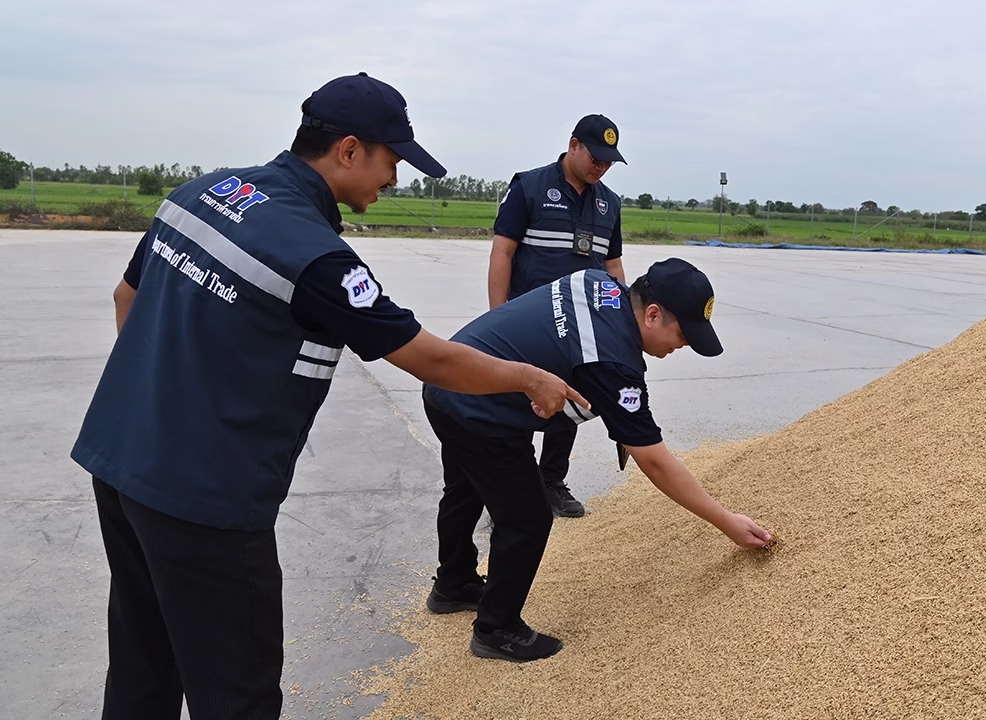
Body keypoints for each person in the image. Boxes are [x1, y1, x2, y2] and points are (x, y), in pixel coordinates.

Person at [70, 73, 587, 720]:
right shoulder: (318, 258)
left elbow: (127, 299)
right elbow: (427, 357)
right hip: (206, 500)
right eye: (392, 160)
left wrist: (160, 405)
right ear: (348, 150)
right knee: (237, 692)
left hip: (120, 466)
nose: (395, 179)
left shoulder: (205, 193)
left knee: (144, 665)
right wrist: (528, 376)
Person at [421, 258, 773, 663]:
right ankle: (495, 629)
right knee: (528, 518)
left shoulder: (600, 284)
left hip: (450, 379)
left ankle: (453, 584)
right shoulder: (612, 362)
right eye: (683, 334)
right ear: (653, 314)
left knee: (465, 489)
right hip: (479, 411)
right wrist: (727, 521)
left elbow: (580, 351)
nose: (685, 345)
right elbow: (655, 461)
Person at [486, 114, 627, 518]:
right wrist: (498, 317)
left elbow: (613, 267)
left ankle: (550, 482)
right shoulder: (529, 187)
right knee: (516, 406)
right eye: (595, 156)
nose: (601, 166)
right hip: (527, 326)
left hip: (581, 327)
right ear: (573, 145)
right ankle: (508, 487)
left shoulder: (609, 204)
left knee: (569, 406)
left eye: (609, 161)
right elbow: (503, 254)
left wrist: (623, 325)